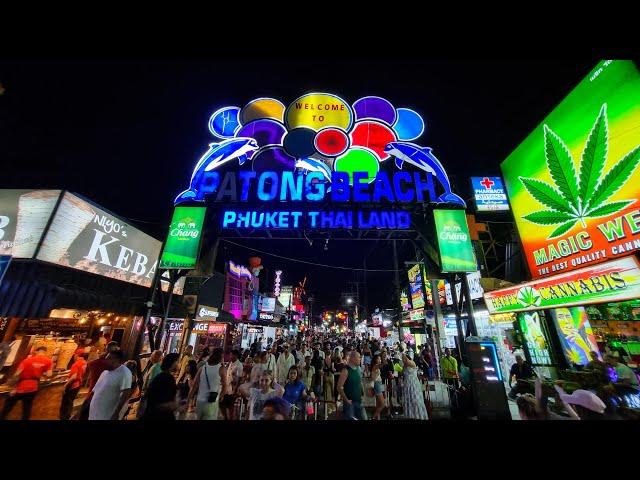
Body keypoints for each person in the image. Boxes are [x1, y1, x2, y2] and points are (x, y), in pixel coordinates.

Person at [1, 346, 53, 420]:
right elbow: (49, 375)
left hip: (22, 386)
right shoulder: (48, 361)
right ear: (45, 352)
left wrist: (13, 387)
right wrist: (40, 372)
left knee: (8, 406)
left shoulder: (27, 360)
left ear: (36, 351)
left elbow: (17, 374)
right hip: (33, 387)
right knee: (27, 409)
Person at [89, 350, 133, 420]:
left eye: (108, 358)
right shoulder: (105, 372)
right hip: (94, 414)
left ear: (116, 360)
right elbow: (95, 390)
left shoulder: (125, 373)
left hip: (107, 415)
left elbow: (125, 394)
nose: (105, 361)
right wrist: (84, 407)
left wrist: (116, 413)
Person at [142, 353, 180, 420]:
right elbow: (159, 403)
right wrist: (174, 405)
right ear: (172, 363)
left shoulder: (161, 376)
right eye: (177, 361)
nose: (178, 364)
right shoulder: (167, 378)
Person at [189, 348, 224, 420]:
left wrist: (188, 402)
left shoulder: (202, 368)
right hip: (211, 402)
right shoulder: (221, 369)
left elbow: (194, 386)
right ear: (221, 357)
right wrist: (221, 396)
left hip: (199, 402)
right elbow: (225, 387)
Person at [337, 351, 367, 420]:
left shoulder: (358, 369)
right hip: (350, 403)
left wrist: (363, 394)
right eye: (359, 357)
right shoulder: (346, 370)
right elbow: (339, 387)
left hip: (359, 401)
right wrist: (346, 400)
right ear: (353, 358)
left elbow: (360, 382)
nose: (360, 359)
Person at [59, 351, 88, 420]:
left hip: (73, 385)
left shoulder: (76, 364)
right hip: (78, 385)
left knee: (66, 403)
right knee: (70, 401)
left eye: (75, 355)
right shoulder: (85, 363)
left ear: (77, 355)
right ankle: (68, 416)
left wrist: (65, 385)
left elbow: (74, 376)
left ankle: (65, 417)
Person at [400, 350, 429, 420]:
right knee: (409, 401)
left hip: (413, 384)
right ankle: (411, 416)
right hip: (407, 384)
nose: (403, 360)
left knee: (416, 400)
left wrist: (402, 353)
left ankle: (420, 416)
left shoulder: (412, 363)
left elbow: (407, 361)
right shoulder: (404, 366)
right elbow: (402, 374)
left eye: (403, 358)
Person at [220, 349, 243, 420]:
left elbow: (239, 378)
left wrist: (236, 390)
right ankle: (226, 417)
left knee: (230, 405)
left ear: (236, 356)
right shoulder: (231, 363)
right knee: (221, 403)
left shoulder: (239, 365)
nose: (230, 356)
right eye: (230, 354)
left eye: (232, 355)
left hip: (233, 389)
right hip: (227, 387)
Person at [370, 354, 385, 420]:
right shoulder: (375, 366)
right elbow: (382, 365)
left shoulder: (374, 366)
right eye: (378, 359)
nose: (380, 360)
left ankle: (377, 418)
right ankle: (373, 417)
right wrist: (384, 360)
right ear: (375, 360)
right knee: (382, 404)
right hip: (377, 384)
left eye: (380, 359)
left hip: (377, 384)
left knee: (378, 404)